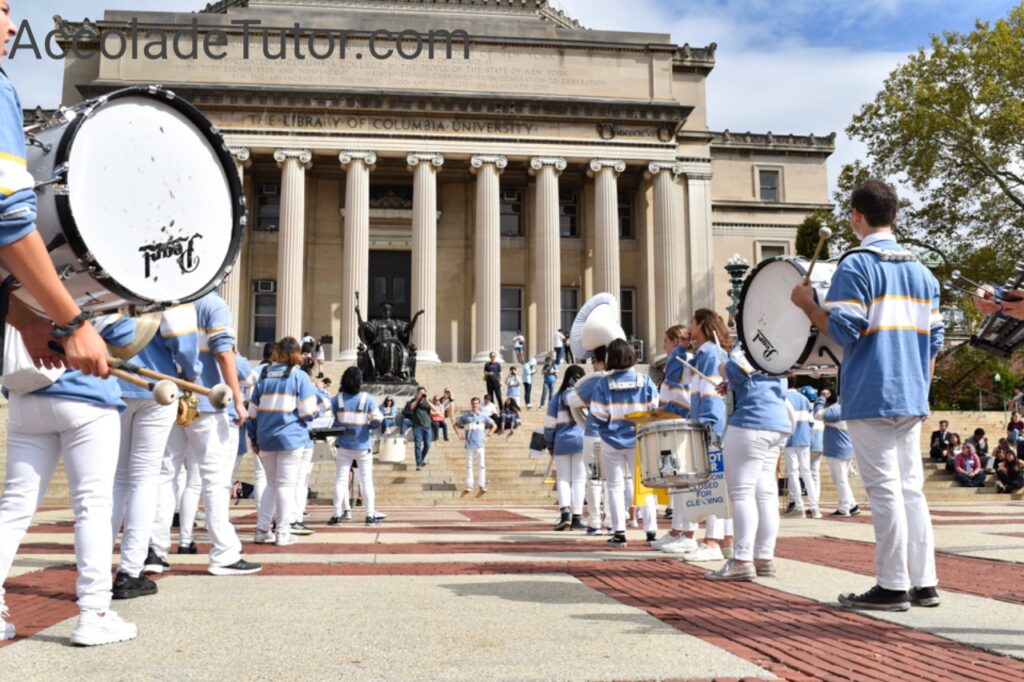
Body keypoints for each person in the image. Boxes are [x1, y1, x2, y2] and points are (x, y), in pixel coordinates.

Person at [791, 178, 943, 611]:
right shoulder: (923, 272)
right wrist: (922, 392)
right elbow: (934, 341)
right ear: (895, 216)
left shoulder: (856, 265)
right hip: (912, 392)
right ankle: (925, 582)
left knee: (884, 490)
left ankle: (893, 584)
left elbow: (842, 330)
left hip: (871, 389)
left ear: (857, 216)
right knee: (911, 488)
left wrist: (806, 304)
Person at [147, 293, 260, 578]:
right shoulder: (213, 305)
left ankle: (155, 550)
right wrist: (237, 400)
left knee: (165, 475)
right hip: (209, 401)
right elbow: (223, 351)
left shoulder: (166, 299)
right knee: (215, 481)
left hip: (172, 400)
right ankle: (223, 551)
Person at [111, 305, 201, 599]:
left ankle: (99, 568)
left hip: (113, 381)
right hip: (157, 385)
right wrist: (191, 373)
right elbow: (184, 342)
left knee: (117, 479)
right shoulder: (171, 288)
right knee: (144, 479)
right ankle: (130, 569)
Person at [705, 341, 791, 581]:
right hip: (777, 421)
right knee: (766, 493)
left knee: (742, 493)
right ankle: (764, 556)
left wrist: (724, 368)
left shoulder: (751, 339)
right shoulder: (783, 344)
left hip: (750, 421)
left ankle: (742, 559)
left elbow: (736, 369)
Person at [249, 337, 319, 546]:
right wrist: (309, 420)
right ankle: (282, 532)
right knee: (286, 485)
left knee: (271, 484)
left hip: (265, 437)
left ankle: (262, 529)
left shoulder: (263, 375)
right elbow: (308, 411)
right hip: (291, 436)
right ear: (297, 353)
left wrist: (254, 437)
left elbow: (252, 412)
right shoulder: (299, 376)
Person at [589, 339, 659, 547]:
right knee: (645, 486)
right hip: (639, 438)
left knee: (615, 487)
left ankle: (619, 531)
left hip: (612, 438)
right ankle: (651, 530)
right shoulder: (645, 381)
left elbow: (597, 412)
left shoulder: (603, 383)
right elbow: (655, 408)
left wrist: (609, 422)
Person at [679, 309, 733, 562]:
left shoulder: (710, 353)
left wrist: (705, 424)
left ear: (701, 324)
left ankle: (712, 540)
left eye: (692, 321)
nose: (689, 326)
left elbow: (710, 396)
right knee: (716, 483)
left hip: (711, 425)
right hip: (709, 422)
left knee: (713, 484)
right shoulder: (707, 353)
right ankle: (724, 540)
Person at [651, 325, 701, 554]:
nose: (663, 346)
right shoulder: (681, 359)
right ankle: (678, 529)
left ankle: (686, 532)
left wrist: (663, 410)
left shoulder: (678, 360)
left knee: (683, 480)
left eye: (666, 341)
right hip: (678, 422)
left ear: (676, 340)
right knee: (678, 481)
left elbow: (680, 396)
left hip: (679, 424)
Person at [564, 346, 613, 536]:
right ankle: (612, 521)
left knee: (594, 479)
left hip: (594, 432)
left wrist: (586, 397)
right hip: (616, 434)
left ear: (601, 362)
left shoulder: (597, 380)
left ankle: (594, 522)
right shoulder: (623, 378)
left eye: (594, 361)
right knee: (613, 481)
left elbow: (571, 400)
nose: (592, 365)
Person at [328, 367, 384, 525]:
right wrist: (370, 426)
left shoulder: (337, 399)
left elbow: (328, 419)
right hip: (362, 445)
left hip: (343, 446)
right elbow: (378, 418)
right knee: (366, 481)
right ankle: (370, 515)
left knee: (340, 480)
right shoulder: (367, 399)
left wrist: (337, 424)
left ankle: (337, 515)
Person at [546, 366, 587, 530]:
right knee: (579, 479)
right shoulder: (584, 397)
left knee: (563, 478)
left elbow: (549, 424)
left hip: (562, 441)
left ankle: (565, 513)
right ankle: (577, 516)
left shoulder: (556, 398)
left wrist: (549, 444)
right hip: (581, 440)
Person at [815, 390, 860, 517]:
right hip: (844, 448)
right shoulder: (843, 407)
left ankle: (844, 508)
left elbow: (817, 414)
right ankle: (852, 505)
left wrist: (821, 398)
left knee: (840, 480)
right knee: (842, 479)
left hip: (838, 449)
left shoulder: (836, 409)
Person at [783, 382, 819, 519]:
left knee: (793, 472)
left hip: (790, 439)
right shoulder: (804, 399)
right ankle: (814, 507)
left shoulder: (783, 397)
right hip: (805, 438)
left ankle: (799, 506)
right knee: (807, 472)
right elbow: (811, 421)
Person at [455, 397, 497, 493]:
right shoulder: (466, 416)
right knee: (469, 466)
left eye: (477, 403)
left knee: (481, 465)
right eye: (473, 403)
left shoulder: (483, 416)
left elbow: (494, 425)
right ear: (471, 404)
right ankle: (469, 485)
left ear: (479, 404)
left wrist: (488, 436)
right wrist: (459, 434)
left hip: (480, 444)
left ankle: (482, 484)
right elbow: (455, 424)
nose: (475, 405)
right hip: (469, 444)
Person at [406, 387, 433, 470]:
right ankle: (418, 463)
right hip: (417, 426)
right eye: (420, 393)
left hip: (427, 426)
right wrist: (417, 399)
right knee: (418, 445)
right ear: (417, 393)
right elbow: (411, 408)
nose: (422, 394)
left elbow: (434, 408)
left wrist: (427, 399)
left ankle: (421, 460)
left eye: (423, 393)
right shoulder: (413, 401)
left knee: (427, 445)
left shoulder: (427, 401)